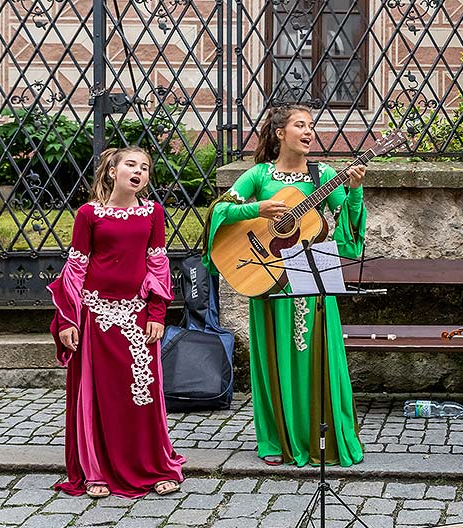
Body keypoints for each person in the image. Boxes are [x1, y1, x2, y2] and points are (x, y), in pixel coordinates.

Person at [202, 104, 366, 467]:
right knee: (275, 355)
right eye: (300, 125)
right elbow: (219, 212)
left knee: (318, 355)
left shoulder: (321, 173)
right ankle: (275, 438)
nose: (309, 132)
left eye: (312, 126)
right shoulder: (259, 174)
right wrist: (256, 210)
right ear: (280, 133)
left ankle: (319, 438)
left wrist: (354, 190)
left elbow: (346, 224)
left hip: (311, 271)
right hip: (268, 274)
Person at [47, 146, 185, 498]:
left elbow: (158, 265)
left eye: (145, 167)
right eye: (131, 164)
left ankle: (152, 467)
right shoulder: (88, 215)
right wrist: (67, 320)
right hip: (95, 317)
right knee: (100, 396)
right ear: (112, 171)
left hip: (138, 318)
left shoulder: (154, 213)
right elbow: (76, 268)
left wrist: (156, 312)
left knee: (144, 397)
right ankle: (96, 471)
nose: (139, 171)